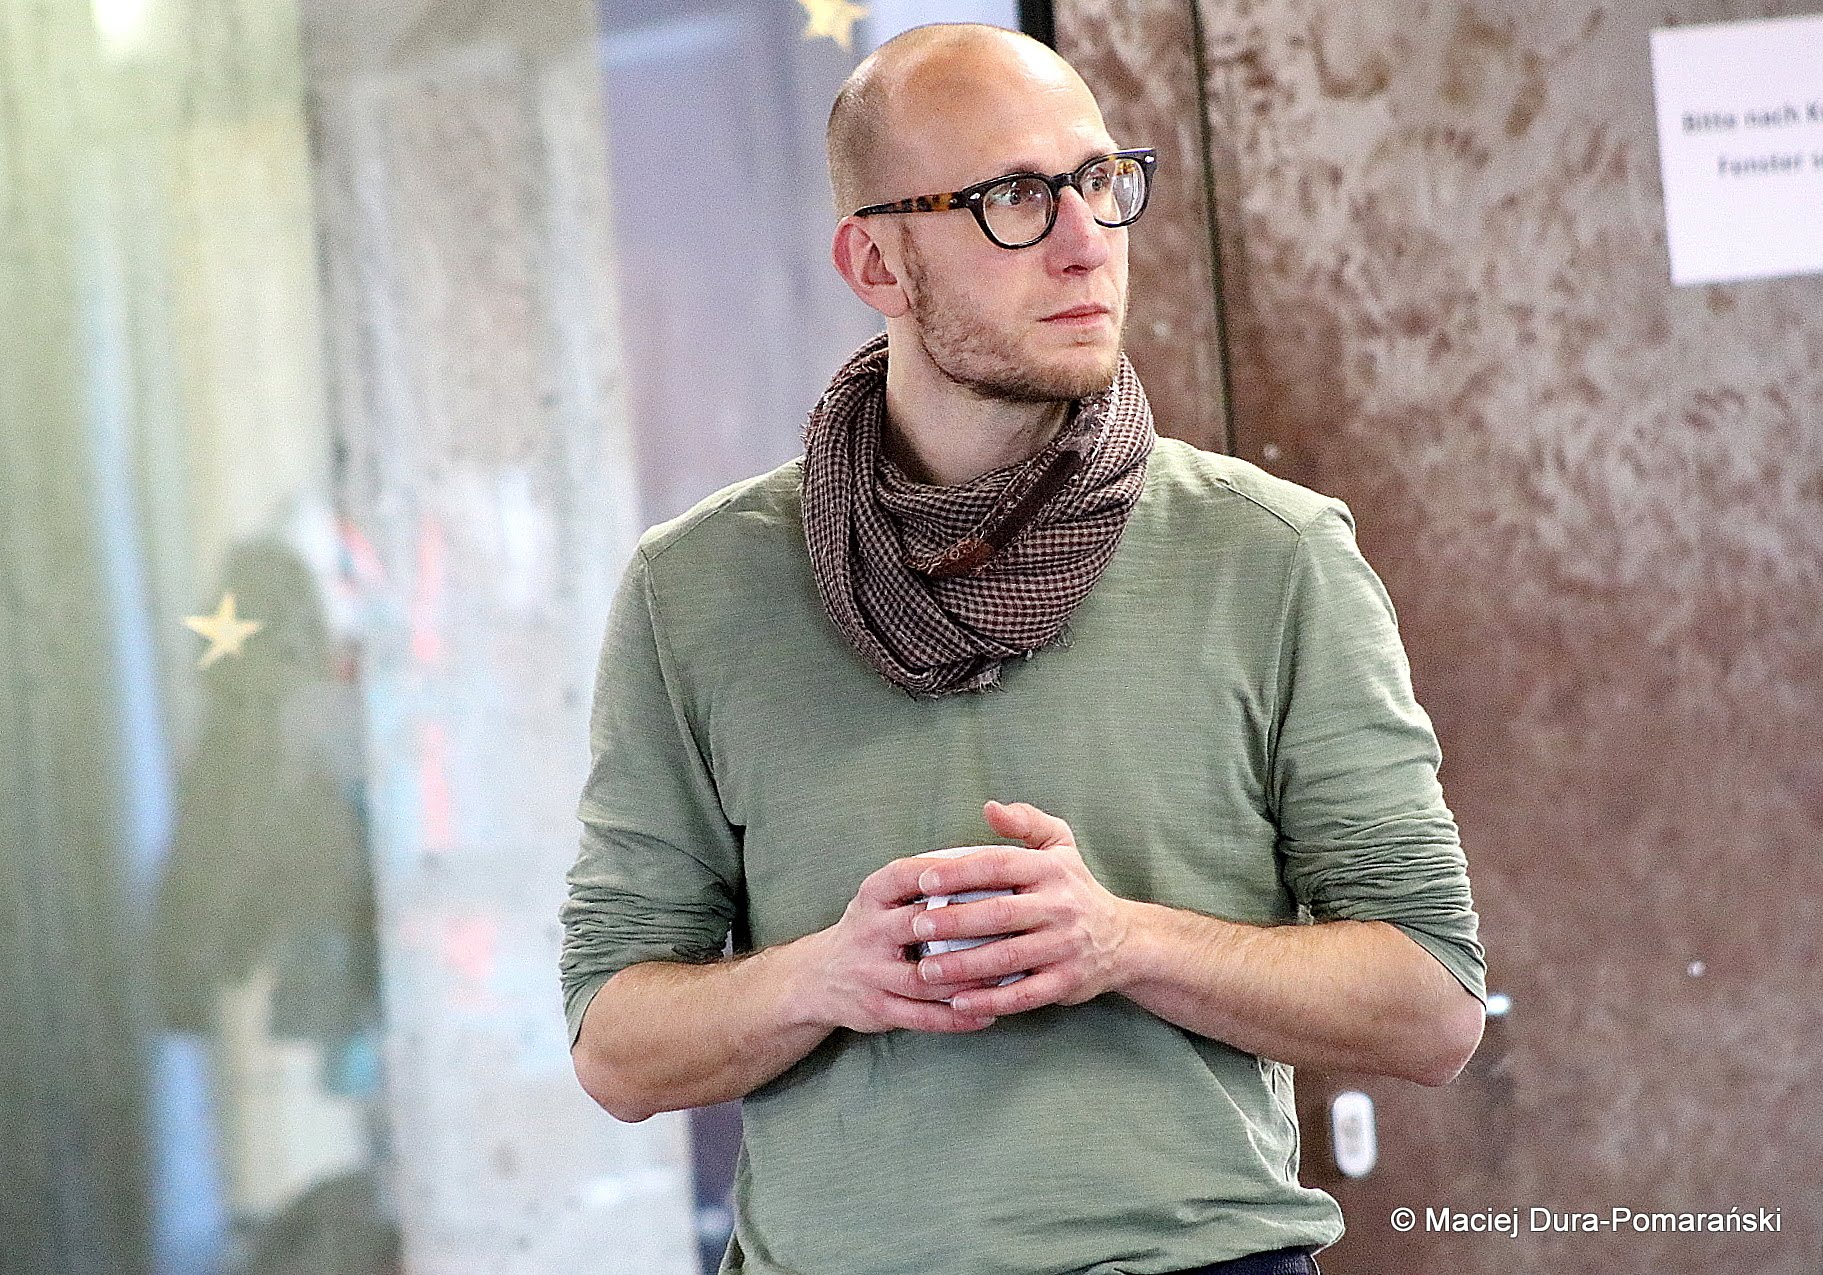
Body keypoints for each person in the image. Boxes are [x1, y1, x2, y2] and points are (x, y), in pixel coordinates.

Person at [561, 22, 1485, 1275]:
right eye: (1010, 197)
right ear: (874, 261)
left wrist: (1123, 943)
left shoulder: (1271, 555)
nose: (1084, 240)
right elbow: (614, 1047)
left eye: (1099, 181)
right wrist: (826, 978)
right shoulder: (698, 589)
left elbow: (1431, 1005)